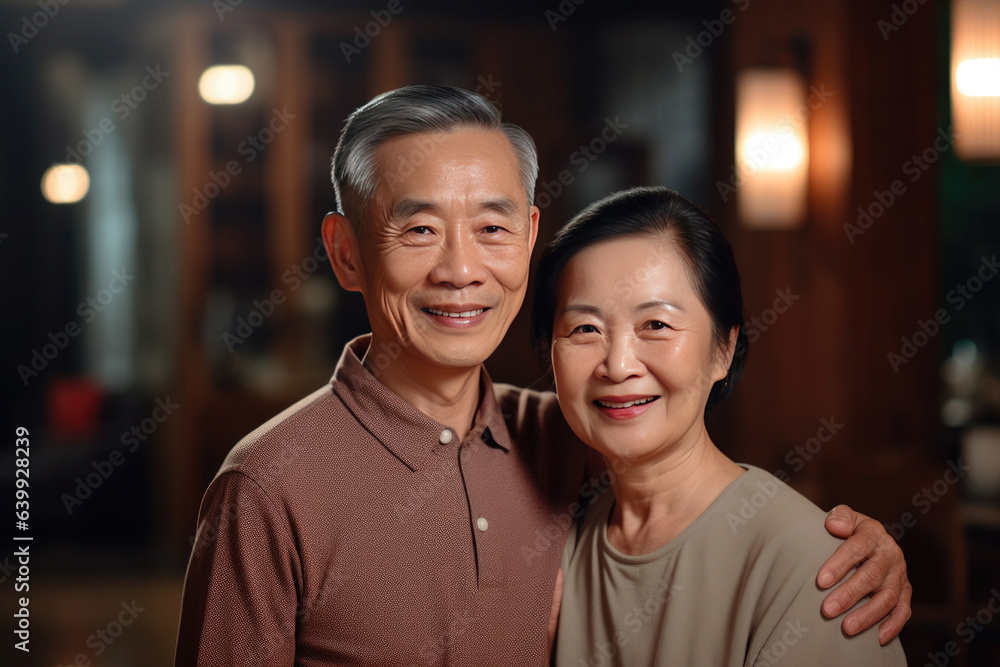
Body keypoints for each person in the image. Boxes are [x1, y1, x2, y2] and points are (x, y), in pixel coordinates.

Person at [175, 86, 911, 666]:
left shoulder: (568, 435)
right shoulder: (269, 485)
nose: (462, 270)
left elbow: (701, 497)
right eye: (420, 229)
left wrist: (842, 545)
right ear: (345, 253)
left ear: (528, 239)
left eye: (492, 228)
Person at [531, 186, 907, 665]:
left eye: (656, 325)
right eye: (585, 329)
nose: (618, 365)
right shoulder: (555, 543)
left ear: (723, 351)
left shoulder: (821, 569)